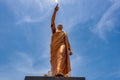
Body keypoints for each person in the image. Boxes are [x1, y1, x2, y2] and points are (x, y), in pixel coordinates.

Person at [50, 4, 72, 77]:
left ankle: (59, 71)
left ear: (62, 27)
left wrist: (70, 49)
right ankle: (56, 71)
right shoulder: (54, 31)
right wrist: (55, 11)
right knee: (56, 59)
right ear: (57, 26)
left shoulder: (64, 33)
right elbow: (52, 21)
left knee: (61, 55)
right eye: (59, 25)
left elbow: (67, 42)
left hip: (62, 45)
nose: (60, 25)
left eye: (61, 25)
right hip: (54, 47)